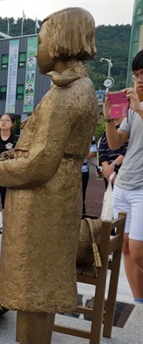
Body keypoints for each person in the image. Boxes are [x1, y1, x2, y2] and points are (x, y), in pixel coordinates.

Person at [0, 8, 98, 344]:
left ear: (62, 41)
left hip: (44, 197)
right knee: (41, 283)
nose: (37, 51)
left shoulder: (68, 94)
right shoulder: (71, 87)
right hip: (54, 195)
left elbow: (40, 165)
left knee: (34, 285)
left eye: (41, 41)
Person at [103, 49, 143, 303]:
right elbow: (116, 142)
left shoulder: (137, 108)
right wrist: (109, 119)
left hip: (141, 189)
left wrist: (139, 108)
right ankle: (139, 303)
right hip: (124, 185)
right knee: (126, 248)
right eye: (137, 74)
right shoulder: (131, 110)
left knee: (139, 252)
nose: (139, 79)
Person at [97, 119, 127, 189]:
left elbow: (129, 148)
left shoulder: (128, 128)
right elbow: (102, 151)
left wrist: (113, 165)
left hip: (125, 172)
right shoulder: (106, 132)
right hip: (110, 174)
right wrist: (108, 170)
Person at [81, 137, 97, 214]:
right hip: (65, 171)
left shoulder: (89, 134)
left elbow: (93, 152)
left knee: (80, 199)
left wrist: (77, 157)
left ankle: (82, 220)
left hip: (82, 171)